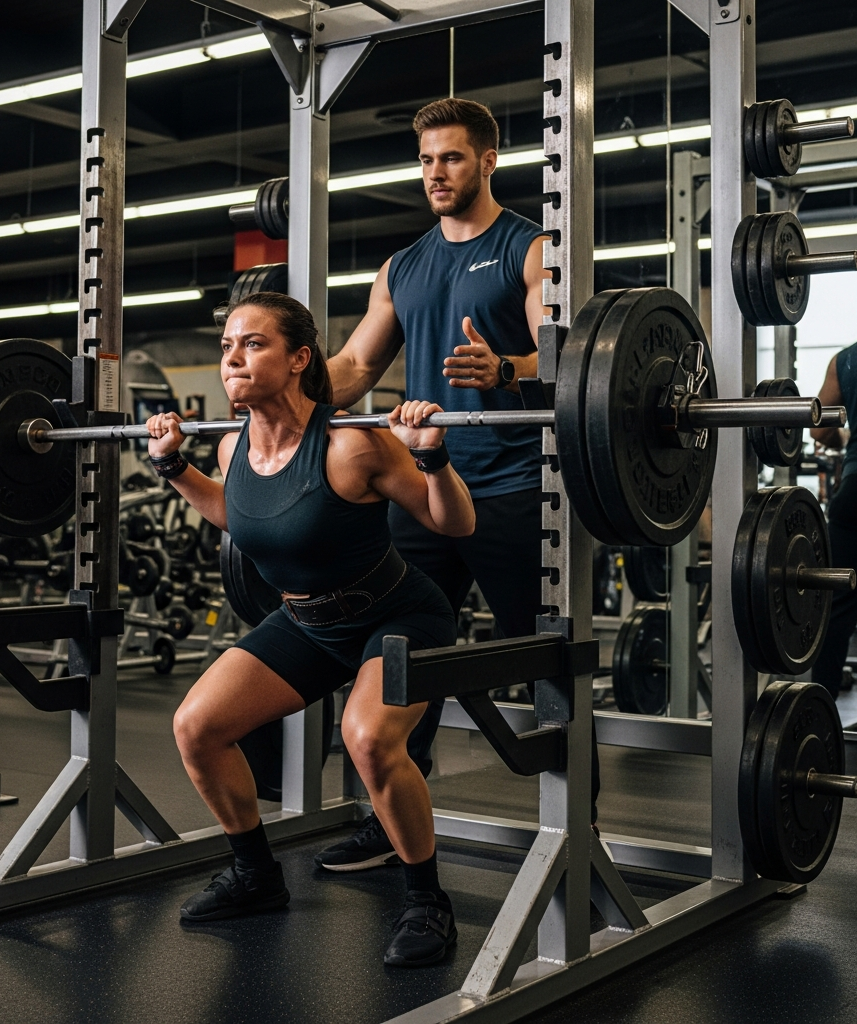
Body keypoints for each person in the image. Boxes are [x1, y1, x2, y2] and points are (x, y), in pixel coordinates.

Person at [146, 290, 475, 967]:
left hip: (398, 615)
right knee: (197, 727)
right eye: (227, 346)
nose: (232, 358)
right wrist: (176, 468)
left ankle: (425, 902)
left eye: (253, 344)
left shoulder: (354, 442)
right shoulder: (236, 446)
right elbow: (242, 518)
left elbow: (455, 524)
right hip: (308, 622)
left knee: (369, 740)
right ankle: (256, 876)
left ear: (300, 359)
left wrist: (433, 455)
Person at [317, 97, 601, 871]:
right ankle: (388, 823)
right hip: (422, 488)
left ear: (487, 161)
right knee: (397, 658)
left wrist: (507, 367)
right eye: (425, 161)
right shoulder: (400, 267)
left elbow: (567, 359)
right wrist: (286, 391)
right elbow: (354, 367)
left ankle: (579, 827)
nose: (435, 174)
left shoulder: (529, 249)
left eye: (450, 158)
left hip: (515, 491)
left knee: (547, 660)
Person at [810, 339, 857, 699]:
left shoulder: (845, 359)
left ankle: (817, 716)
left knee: (836, 612)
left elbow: (819, 428)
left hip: (856, 493)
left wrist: (845, 436)